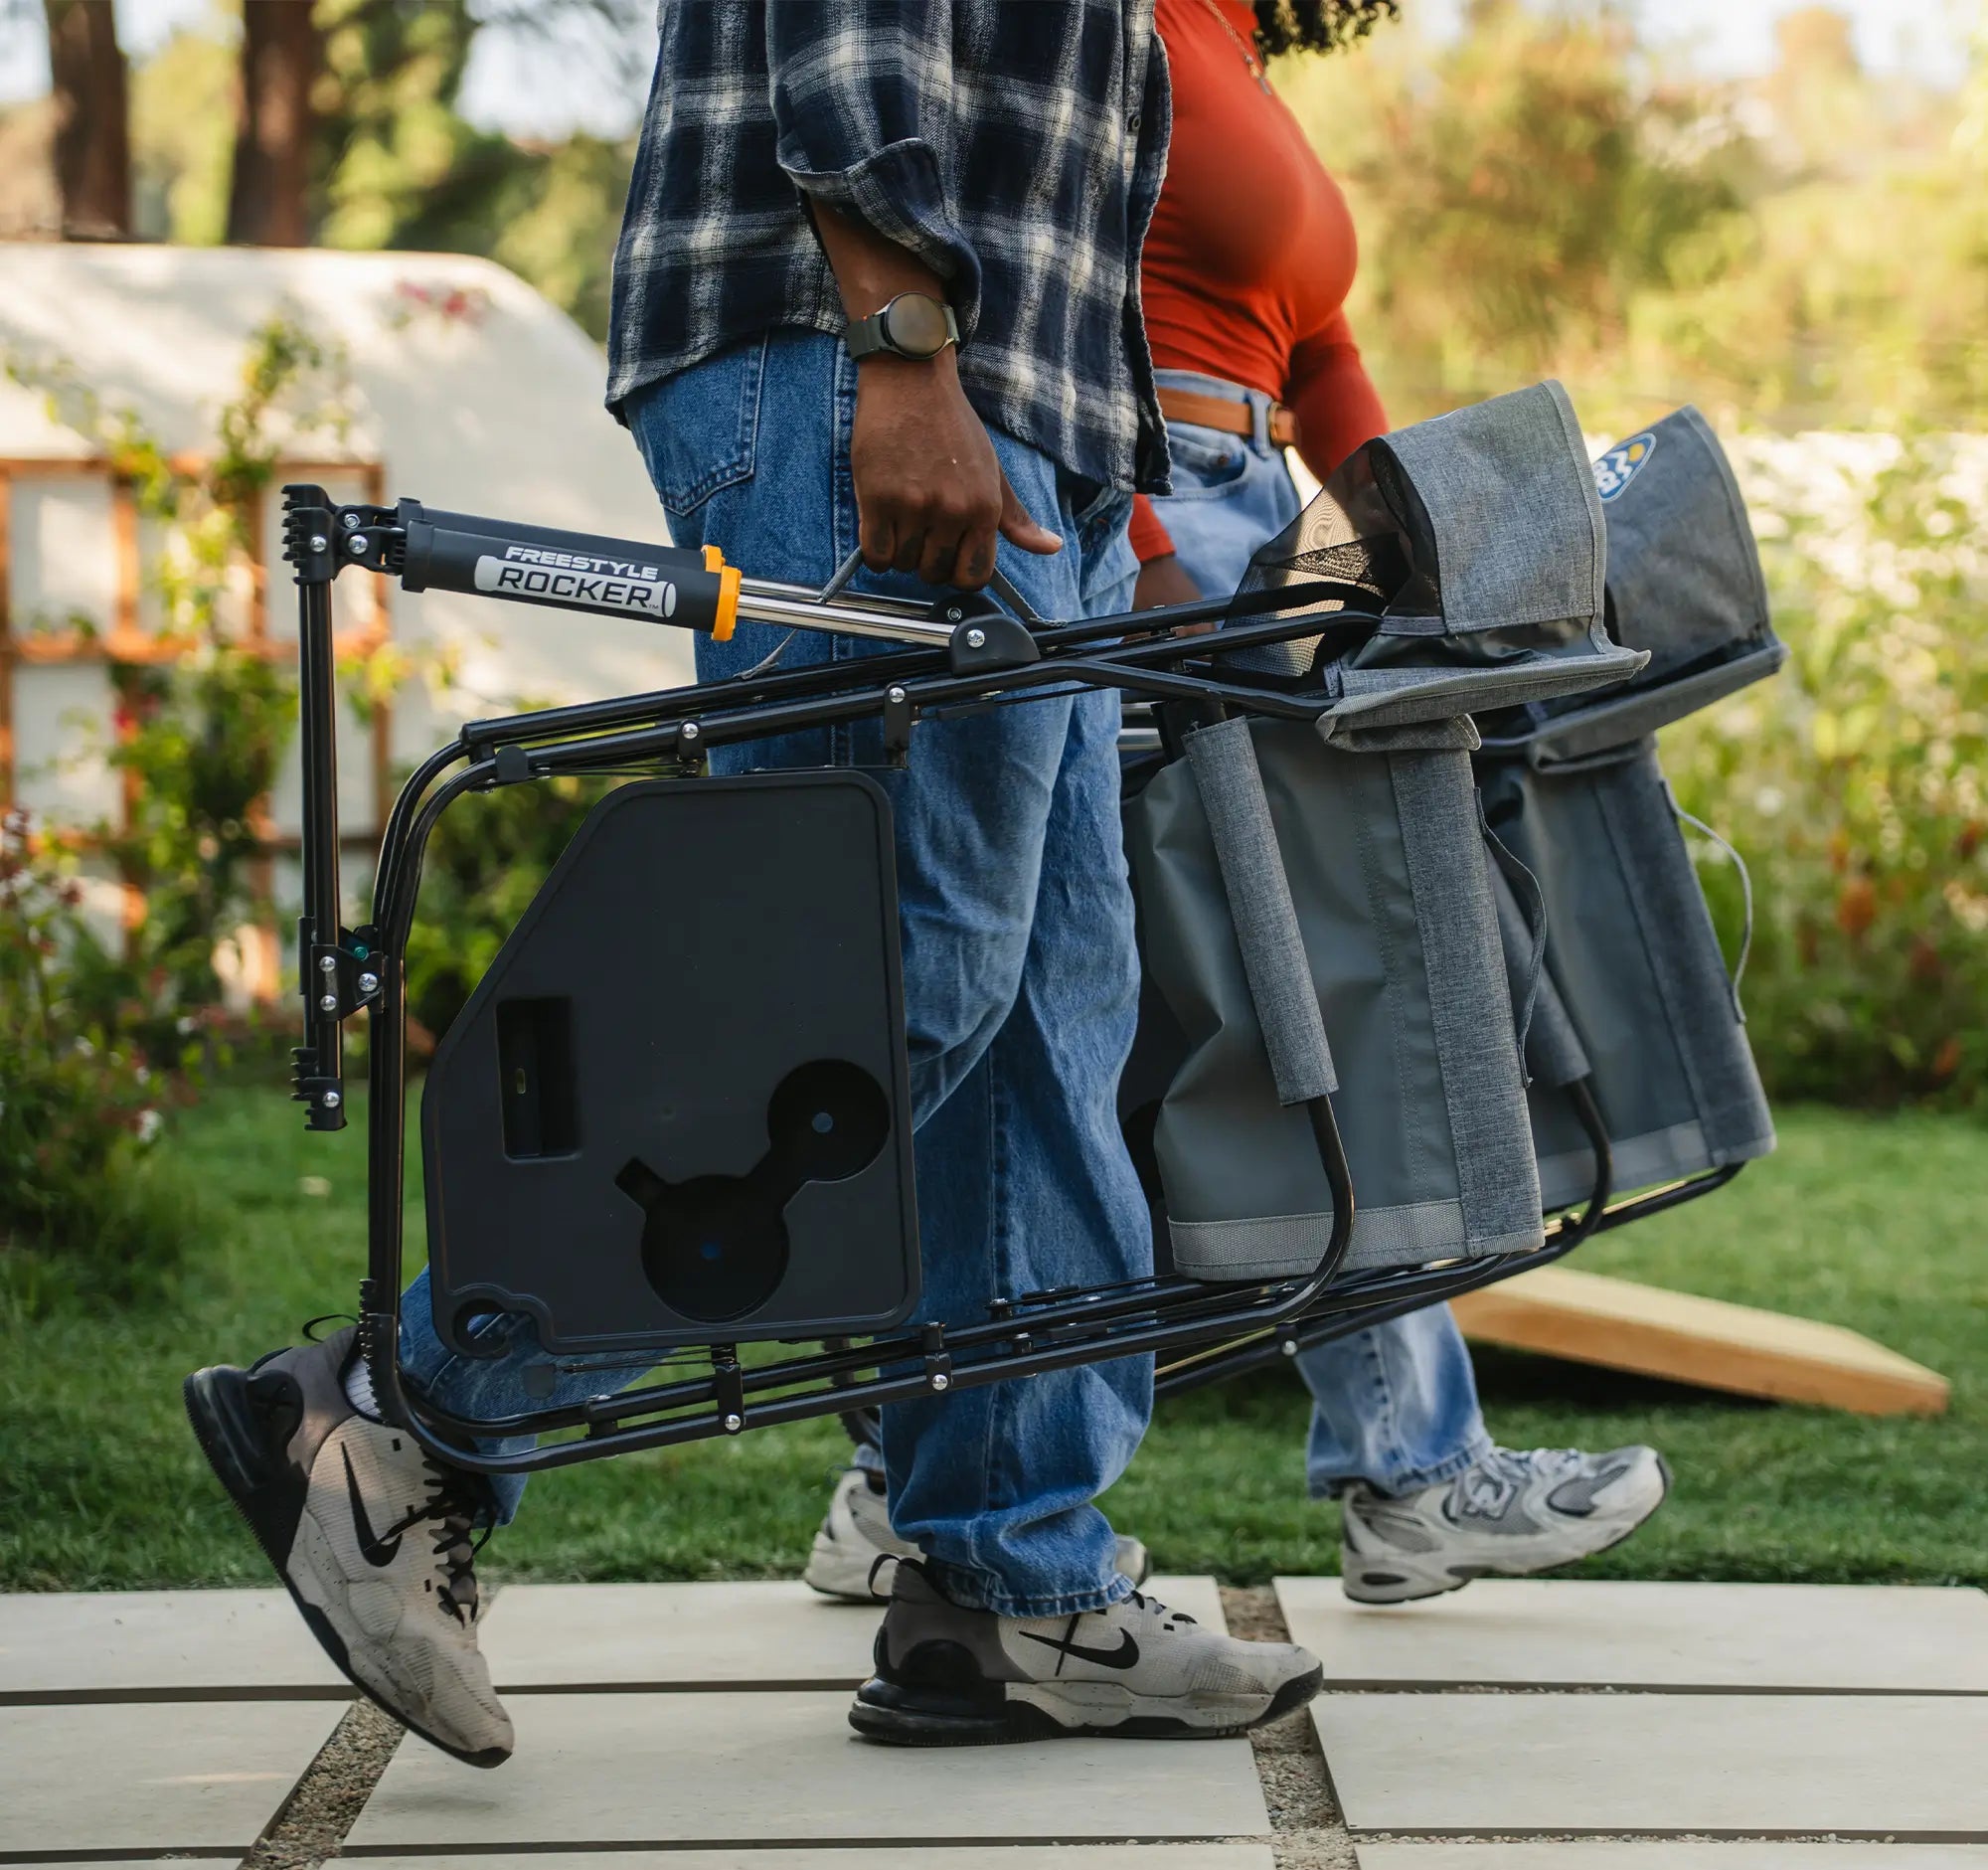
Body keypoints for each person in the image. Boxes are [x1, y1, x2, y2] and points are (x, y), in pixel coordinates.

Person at [183, 0, 1324, 1770]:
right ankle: (399, 1421)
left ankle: (1012, 1579)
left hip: (1031, 411)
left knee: (1040, 1022)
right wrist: (905, 344)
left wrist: (1102, 477)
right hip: (860, 362)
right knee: (868, 991)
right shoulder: (889, 354)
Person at [1131, 0, 1672, 1603]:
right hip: (1139, 517)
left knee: (1275, 987)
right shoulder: (1102, 26)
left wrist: (1417, 542)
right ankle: (1415, 1470)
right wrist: (1145, 559)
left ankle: (910, 1472)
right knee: (1273, 990)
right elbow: (1043, 291)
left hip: (1242, 526)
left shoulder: (1224, 40)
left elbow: (1315, 348)